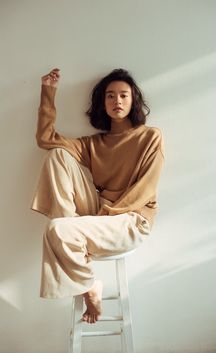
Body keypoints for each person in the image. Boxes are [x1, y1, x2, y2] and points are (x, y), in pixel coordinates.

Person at [31, 67, 164, 324]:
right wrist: (48, 91)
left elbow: (145, 189)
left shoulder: (150, 137)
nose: (117, 101)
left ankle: (80, 269)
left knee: (56, 231)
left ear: (134, 99)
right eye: (110, 96)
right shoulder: (94, 144)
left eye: (124, 95)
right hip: (99, 216)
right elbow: (46, 139)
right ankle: (86, 278)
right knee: (57, 154)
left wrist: (107, 213)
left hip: (131, 220)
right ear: (102, 103)